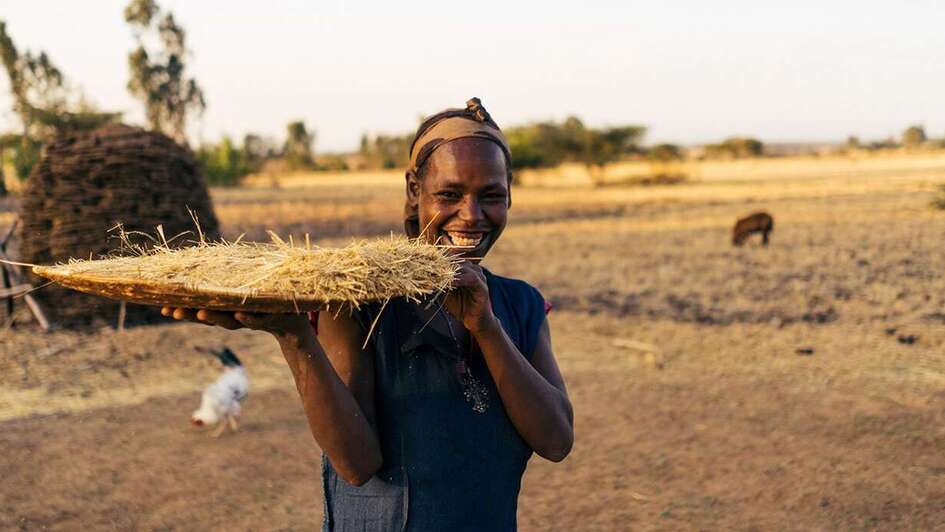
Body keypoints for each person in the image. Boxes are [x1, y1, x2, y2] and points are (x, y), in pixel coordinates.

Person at [163, 98, 574, 531]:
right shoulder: (358, 300)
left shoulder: (520, 304)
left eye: (492, 196)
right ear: (415, 191)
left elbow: (556, 440)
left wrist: (486, 328)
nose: (471, 216)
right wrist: (294, 336)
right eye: (449, 194)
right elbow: (357, 464)